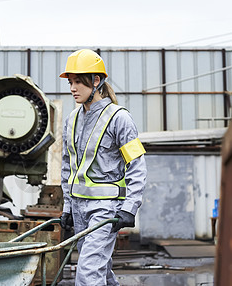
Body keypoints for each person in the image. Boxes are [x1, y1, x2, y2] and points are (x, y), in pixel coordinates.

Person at [59, 49, 147, 286]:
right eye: (70, 82)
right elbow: (68, 166)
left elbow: (137, 166)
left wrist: (130, 208)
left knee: (88, 272)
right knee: (99, 269)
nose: (72, 88)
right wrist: (67, 206)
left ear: (96, 81)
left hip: (105, 209)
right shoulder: (72, 119)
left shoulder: (120, 119)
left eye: (78, 81)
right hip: (78, 207)